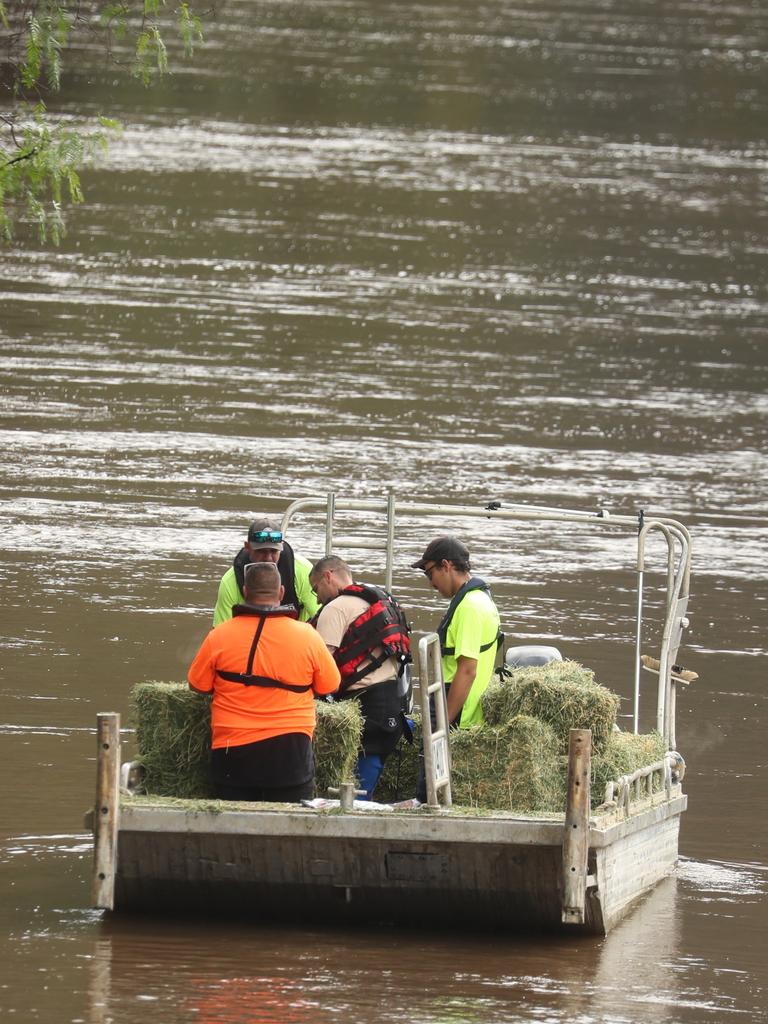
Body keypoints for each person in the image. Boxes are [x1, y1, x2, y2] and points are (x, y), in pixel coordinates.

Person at [189, 561, 340, 802]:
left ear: (245, 593)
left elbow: (198, 685)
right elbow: (329, 685)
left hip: (232, 753)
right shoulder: (307, 636)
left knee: (233, 824)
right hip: (290, 753)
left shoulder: (219, 635)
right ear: (281, 593)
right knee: (290, 826)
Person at [309, 555, 411, 800]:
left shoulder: (334, 609)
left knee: (355, 796)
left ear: (328, 576)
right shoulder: (379, 598)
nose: (316, 598)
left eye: (316, 589)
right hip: (393, 702)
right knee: (364, 783)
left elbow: (321, 664)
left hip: (367, 708)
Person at [411, 535, 502, 729]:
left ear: (446, 565)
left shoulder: (469, 607)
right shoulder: (481, 598)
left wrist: (442, 724)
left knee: (427, 760)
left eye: (429, 573)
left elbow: (467, 670)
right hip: (465, 708)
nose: (431, 583)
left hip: (458, 712)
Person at [213, 517, 319, 626]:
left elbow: (321, 618)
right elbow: (221, 629)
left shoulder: (303, 571)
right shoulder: (231, 581)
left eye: (273, 551)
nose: (268, 558)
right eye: (261, 551)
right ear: (247, 547)